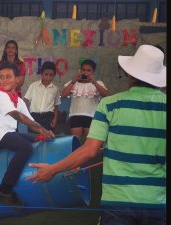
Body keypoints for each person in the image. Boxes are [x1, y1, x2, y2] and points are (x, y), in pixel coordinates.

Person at [27, 45, 166, 225]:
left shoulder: (110, 105)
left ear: (130, 74)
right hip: (157, 201)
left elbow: (89, 150)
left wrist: (52, 169)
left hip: (118, 201)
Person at [0, 61, 55, 206]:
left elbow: (30, 120)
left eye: (8, 77)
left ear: (17, 79)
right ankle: (4, 190)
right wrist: (42, 129)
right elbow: (18, 116)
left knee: (35, 140)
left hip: (9, 133)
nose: (4, 80)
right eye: (2, 77)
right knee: (26, 148)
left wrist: (45, 132)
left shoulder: (17, 100)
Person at [61, 59, 108, 141]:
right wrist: (73, 81)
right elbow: (64, 95)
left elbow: (106, 95)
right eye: (83, 70)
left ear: (93, 72)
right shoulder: (73, 82)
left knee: (90, 144)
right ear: (80, 70)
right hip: (75, 116)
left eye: (88, 70)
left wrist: (94, 83)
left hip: (91, 117)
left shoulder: (98, 83)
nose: (85, 72)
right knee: (76, 143)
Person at [23, 61, 61, 131]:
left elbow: (56, 106)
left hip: (48, 118)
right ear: (41, 74)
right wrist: (27, 116)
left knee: (47, 139)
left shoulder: (55, 89)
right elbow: (25, 101)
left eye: (51, 75)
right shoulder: (33, 86)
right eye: (46, 74)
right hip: (34, 117)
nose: (48, 77)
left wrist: (55, 119)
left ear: (54, 75)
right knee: (33, 138)